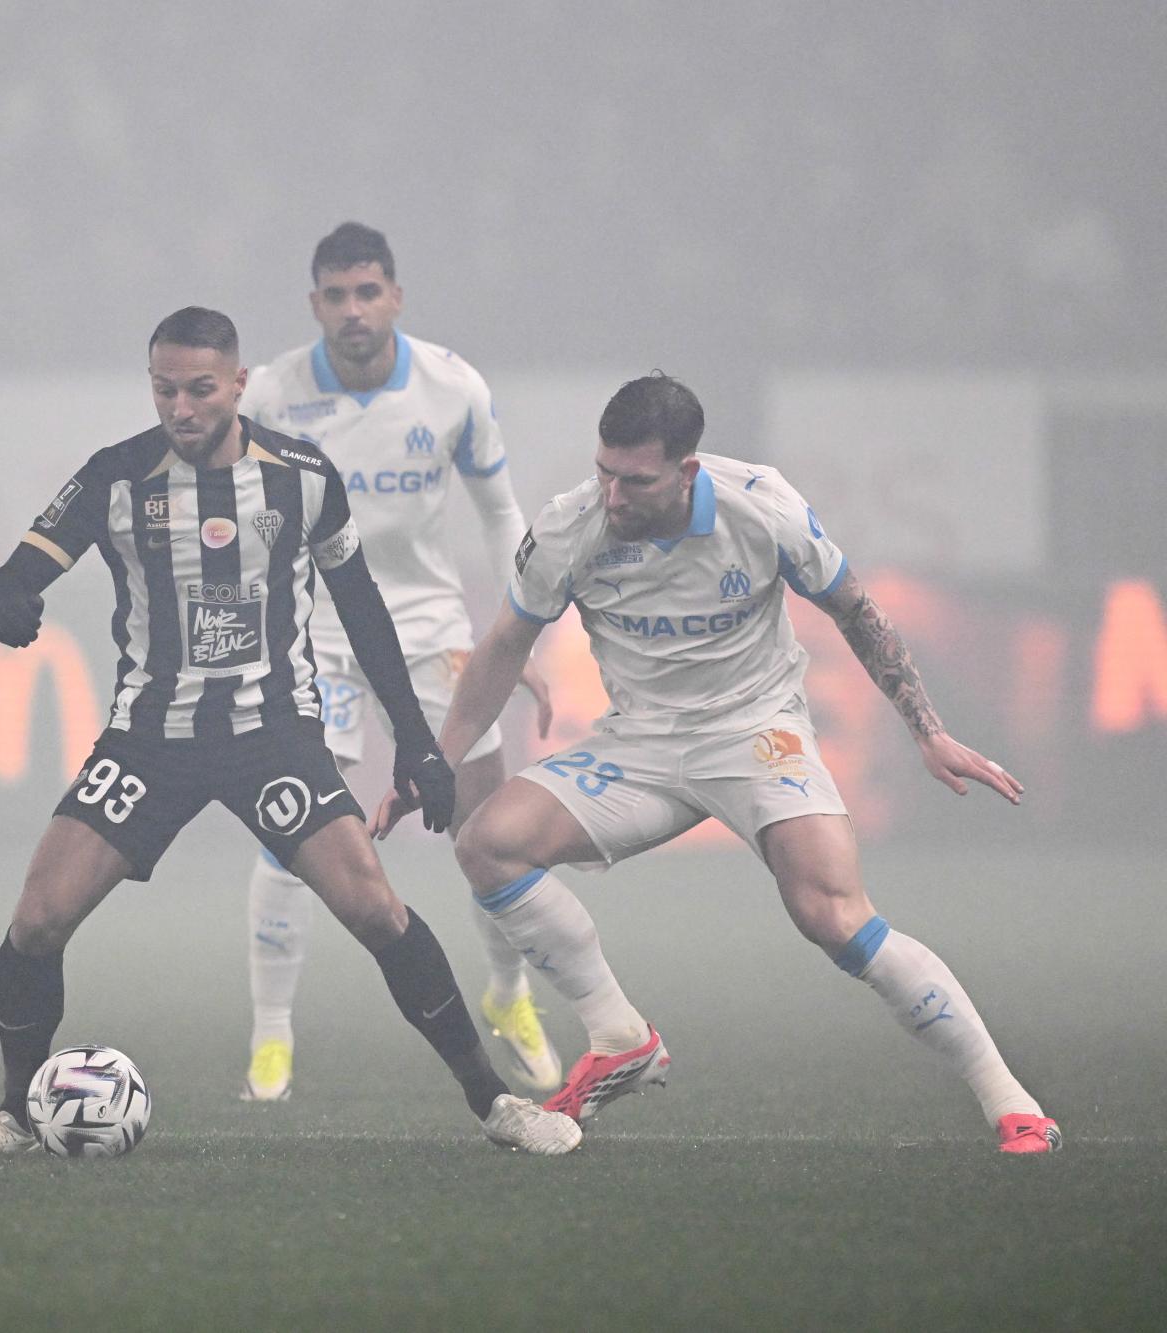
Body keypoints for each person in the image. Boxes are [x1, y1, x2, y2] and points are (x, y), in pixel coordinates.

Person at [0, 306, 581, 1158]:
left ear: (239, 383)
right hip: (147, 739)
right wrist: (9, 601)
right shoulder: (114, 477)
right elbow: (15, 573)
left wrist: (419, 743)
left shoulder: (303, 475)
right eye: (165, 389)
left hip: (270, 732)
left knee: (376, 909)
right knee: (38, 918)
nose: (182, 407)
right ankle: (17, 1114)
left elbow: (363, 612)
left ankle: (496, 1103)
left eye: (201, 389)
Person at [376, 372, 1061, 1154]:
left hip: (756, 731)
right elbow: (504, 644)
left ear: (687, 470)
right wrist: (436, 759)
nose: (613, 495)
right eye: (604, 471)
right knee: (486, 844)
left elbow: (855, 608)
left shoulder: (761, 507)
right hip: (638, 744)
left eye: (635, 480)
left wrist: (926, 730)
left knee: (833, 916)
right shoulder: (569, 526)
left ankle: (1011, 1100)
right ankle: (618, 1037)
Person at [232, 221, 561, 1101]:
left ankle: (508, 993)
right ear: (315, 304)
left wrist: (513, 629)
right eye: (336, 296)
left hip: (427, 626)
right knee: (293, 822)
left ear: (396, 296)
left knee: (484, 824)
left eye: (367, 292)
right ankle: (271, 1036)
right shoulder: (267, 392)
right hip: (314, 633)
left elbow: (500, 514)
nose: (353, 311)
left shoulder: (452, 388)